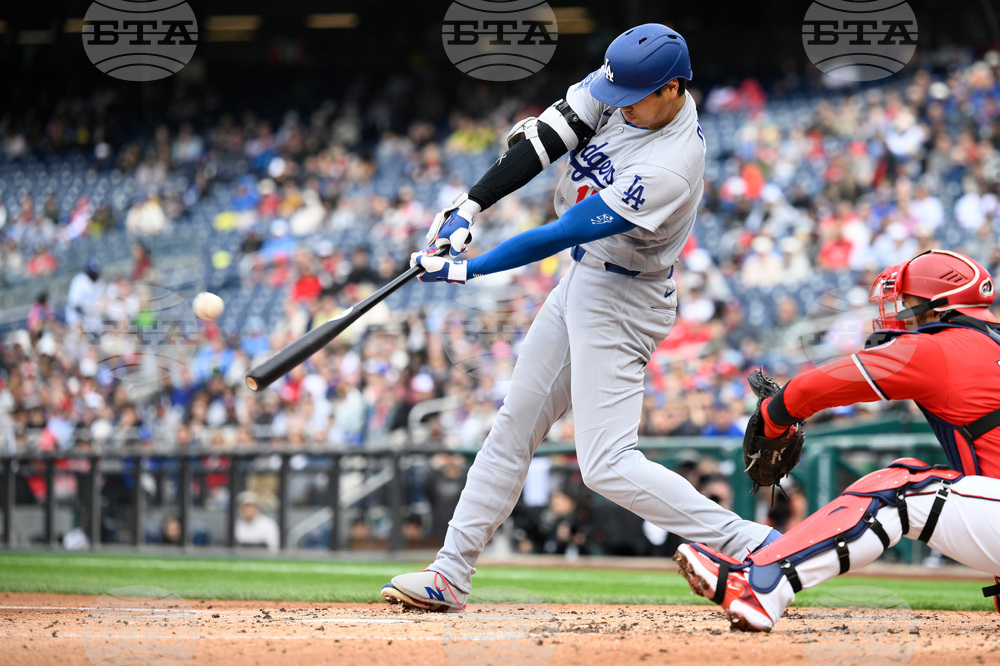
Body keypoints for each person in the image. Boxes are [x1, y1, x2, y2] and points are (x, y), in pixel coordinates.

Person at [381, 23, 778, 612]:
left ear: (672, 89)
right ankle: (449, 574)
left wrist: (470, 269)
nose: (616, 107)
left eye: (633, 99)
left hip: (626, 297)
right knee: (512, 426)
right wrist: (466, 207)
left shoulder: (672, 162)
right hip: (584, 278)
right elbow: (544, 138)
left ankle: (756, 544)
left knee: (606, 464)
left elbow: (566, 228)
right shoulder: (626, 80)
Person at [675, 249, 1000, 631]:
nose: (897, 311)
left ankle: (759, 584)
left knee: (900, 489)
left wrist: (771, 417)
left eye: (907, 302)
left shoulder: (944, 347)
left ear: (939, 305)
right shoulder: (983, 344)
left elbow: (820, 385)